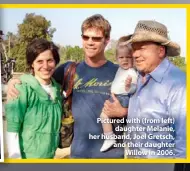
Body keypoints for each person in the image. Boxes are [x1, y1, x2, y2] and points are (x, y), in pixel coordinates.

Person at [7, 14, 128, 158]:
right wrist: (14, 82)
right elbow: (41, 77)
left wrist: (124, 112)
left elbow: (142, 108)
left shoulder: (120, 73)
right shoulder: (68, 70)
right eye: (86, 37)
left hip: (112, 156)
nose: (90, 42)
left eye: (96, 38)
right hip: (78, 154)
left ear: (107, 40)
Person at [122, 20, 186, 158]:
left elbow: (184, 143)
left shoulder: (178, 85)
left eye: (142, 48)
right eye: (134, 48)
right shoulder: (137, 76)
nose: (135, 54)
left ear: (161, 51)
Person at [5, 38, 63, 159]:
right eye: (39, 61)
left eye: (50, 60)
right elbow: (12, 130)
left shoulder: (57, 89)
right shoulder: (22, 88)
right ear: (32, 63)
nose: (45, 66)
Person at [100, 37, 138, 152]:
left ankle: (110, 138)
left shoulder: (131, 72)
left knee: (104, 115)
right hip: (118, 96)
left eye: (128, 57)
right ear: (116, 58)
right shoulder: (120, 69)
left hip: (123, 97)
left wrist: (128, 87)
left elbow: (134, 88)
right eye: (121, 57)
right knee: (117, 122)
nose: (125, 60)